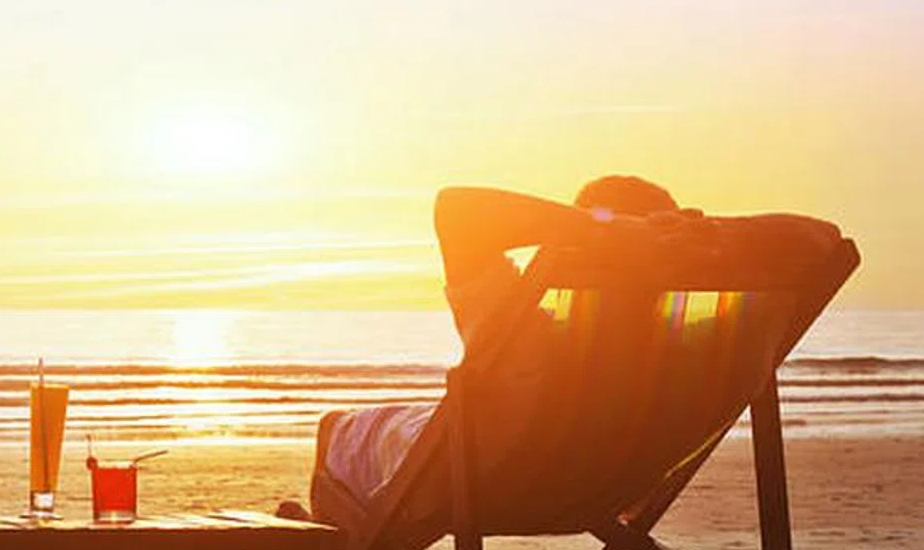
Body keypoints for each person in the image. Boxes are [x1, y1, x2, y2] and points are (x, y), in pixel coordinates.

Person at [286, 175, 699, 522]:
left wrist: (606, 229)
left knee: (339, 428)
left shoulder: (521, 331)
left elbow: (457, 208)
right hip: (610, 484)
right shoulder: (691, 348)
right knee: (408, 431)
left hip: (489, 478)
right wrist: (697, 236)